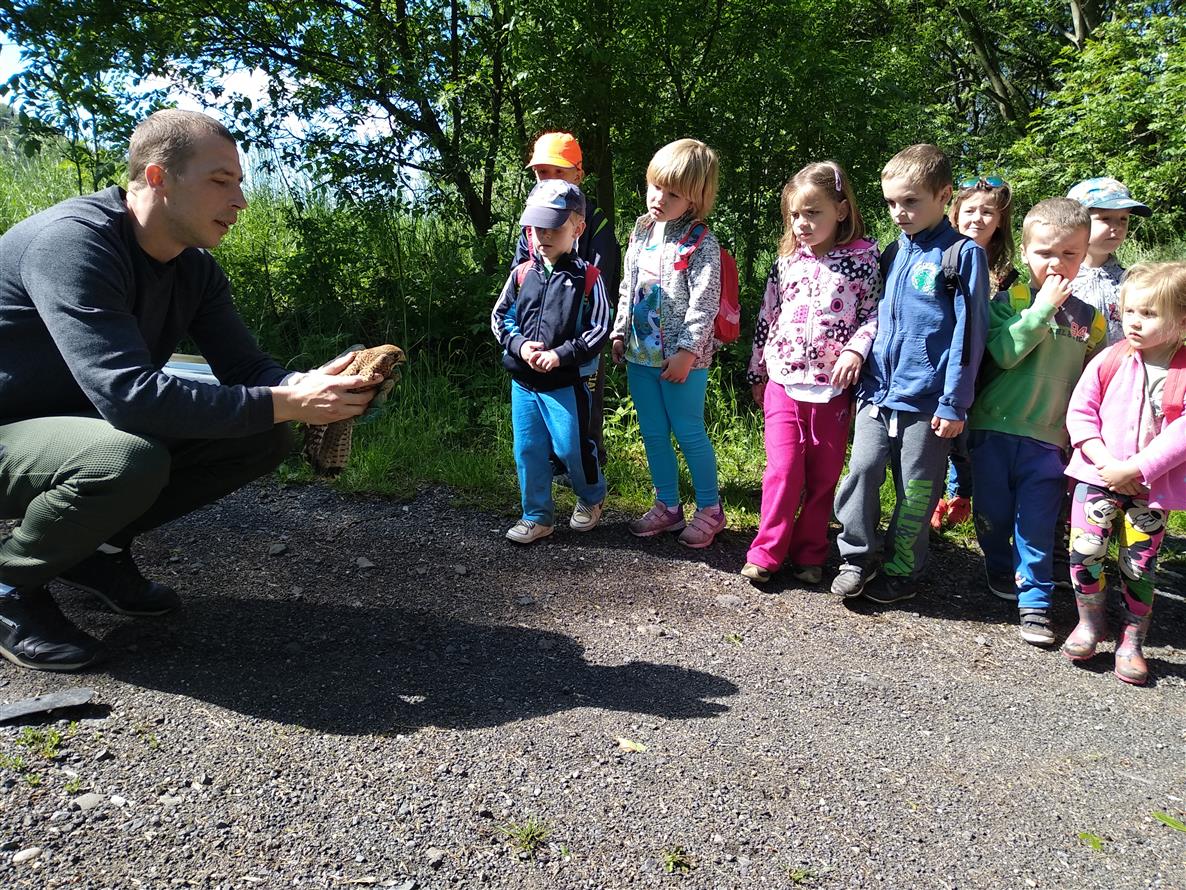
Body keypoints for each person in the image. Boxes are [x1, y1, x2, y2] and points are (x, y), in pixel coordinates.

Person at [0, 109, 382, 671]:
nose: (240, 201)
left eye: (240, 183)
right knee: (124, 459)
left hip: (79, 423)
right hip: (11, 432)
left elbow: (245, 367)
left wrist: (306, 387)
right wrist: (285, 401)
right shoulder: (73, 245)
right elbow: (128, 396)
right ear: (158, 177)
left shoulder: (192, 267)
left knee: (265, 431)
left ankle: (95, 553)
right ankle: (11, 582)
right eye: (221, 181)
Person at [830, 144, 989, 603]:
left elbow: (970, 334)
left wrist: (954, 402)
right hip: (877, 393)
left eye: (911, 201)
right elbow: (875, 317)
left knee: (916, 490)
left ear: (944, 195)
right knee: (862, 472)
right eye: (891, 203)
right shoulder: (892, 252)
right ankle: (856, 557)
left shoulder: (962, 255)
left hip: (928, 401)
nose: (899, 212)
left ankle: (903, 568)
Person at [967, 198, 1105, 646]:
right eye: (1045, 252)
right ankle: (998, 566)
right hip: (994, 430)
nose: (1056, 263)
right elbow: (1005, 353)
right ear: (1025, 252)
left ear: (1083, 255)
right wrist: (1043, 308)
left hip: (1049, 440)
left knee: (1037, 524)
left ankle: (1035, 604)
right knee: (992, 516)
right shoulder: (1007, 301)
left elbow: (1092, 381)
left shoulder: (1091, 320)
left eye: (1069, 253)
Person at [740, 162, 880, 586]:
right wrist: (757, 372)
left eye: (813, 212)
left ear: (841, 210)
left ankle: (810, 553)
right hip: (783, 382)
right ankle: (766, 552)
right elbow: (767, 317)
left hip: (833, 388)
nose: (802, 223)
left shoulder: (863, 261)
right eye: (795, 215)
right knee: (783, 471)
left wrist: (856, 349)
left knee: (823, 477)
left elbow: (874, 315)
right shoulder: (785, 263)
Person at [1062, 262, 1186, 685]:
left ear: (1181, 320)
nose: (1134, 321)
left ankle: (1132, 639)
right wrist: (1105, 464)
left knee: (1139, 566)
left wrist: (1135, 468)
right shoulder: (1111, 359)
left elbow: (1181, 434)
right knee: (1086, 551)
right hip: (1096, 476)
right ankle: (1089, 622)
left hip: (1149, 489)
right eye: (1129, 311)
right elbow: (1081, 413)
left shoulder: (1181, 371)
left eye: (1149, 314)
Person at [610, 138, 726, 549]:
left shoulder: (700, 241)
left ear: (695, 198)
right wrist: (620, 331)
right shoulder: (642, 229)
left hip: (682, 361)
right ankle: (668, 505)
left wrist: (687, 352)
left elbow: (705, 302)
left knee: (689, 431)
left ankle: (710, 509)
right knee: (654, 432)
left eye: (673, 194)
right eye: (655, 186)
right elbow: (628, 285)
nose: (659, 198)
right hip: (640, 353)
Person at [492, 180, 610, 544]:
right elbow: (500, 317)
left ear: (578, 228)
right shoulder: (521, 273)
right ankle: (537, 516)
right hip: (524, 383)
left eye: (554, 227)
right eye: (537, 226)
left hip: (566, 384)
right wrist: (520, 346)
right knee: (528, 449)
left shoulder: (588, 278)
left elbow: (599, 328)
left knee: (570, 448)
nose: (544, 235)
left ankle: (591, 495)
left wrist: (560, 355)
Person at [512, 132, 620, 468]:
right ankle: (551, 463)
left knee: (583, 405)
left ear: (578, 174)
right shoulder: (532, 222)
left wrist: (573, 339)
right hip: (536, 337)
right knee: (538, 402)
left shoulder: (595, 224)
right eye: (542, 172)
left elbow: (600, 285)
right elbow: (518, 278)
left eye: (559, 171)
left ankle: (589, 466)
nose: (549, 178)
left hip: (579, 339)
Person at [931, 175, 1018, 531]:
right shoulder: (940, 254)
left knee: (966, 437)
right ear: (955, 213)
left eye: (987, 212)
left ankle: (961, 493)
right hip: (941, 360)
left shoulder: (1006, 274)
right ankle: (933, 496)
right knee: (936, 433)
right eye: (969, 210)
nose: (977, 219)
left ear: (1000, 221)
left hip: (983, 367)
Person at [1066, 176, 1152, 346]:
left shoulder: (1132, 280)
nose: (1118, 227)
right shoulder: (1061, 276)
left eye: (1123, 219)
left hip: (1121, 360)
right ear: (1075, 222)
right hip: (1071, 360)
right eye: (1105, 218)